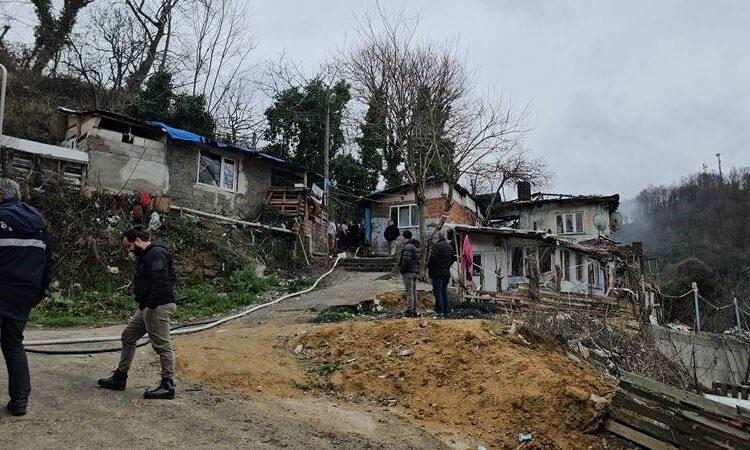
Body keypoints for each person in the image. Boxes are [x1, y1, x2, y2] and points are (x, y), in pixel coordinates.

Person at [98, 229, 177, 399]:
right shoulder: (145, 255)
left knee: (162, 346)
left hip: (158, 306)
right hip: (147, 307)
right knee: (128, 336)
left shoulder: (156, 254)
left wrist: (151, 305)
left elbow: (161, 281)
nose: (129, 250)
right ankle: (120, 377)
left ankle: (167, 385)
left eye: (129, 245)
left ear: (139, 240)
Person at [0, 179, 53, 416]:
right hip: (23, 295)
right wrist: (41, 292)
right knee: (13, 345)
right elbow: (48, 261)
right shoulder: (39, 221)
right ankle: (20, 401)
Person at [428, 230, 455, 317]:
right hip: (446, 273)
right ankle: (446, 311)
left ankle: (439, 311)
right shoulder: (449, 246)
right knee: (444, 291)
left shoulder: (437, 246)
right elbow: (452, 260)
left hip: (437, 273)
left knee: (438, 292)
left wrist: (430, 267)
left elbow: (432, 259)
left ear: (438, 237)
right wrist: (446, 266)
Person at [399, 230, 421, 317]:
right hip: (415, 271)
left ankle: (409, 310)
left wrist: (402, 270)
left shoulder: (407, 246)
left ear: (404, 237)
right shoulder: (416, 247)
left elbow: (406, 260)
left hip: (408, 272)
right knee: (414, 291)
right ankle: (415, 309)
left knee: (409, 292)